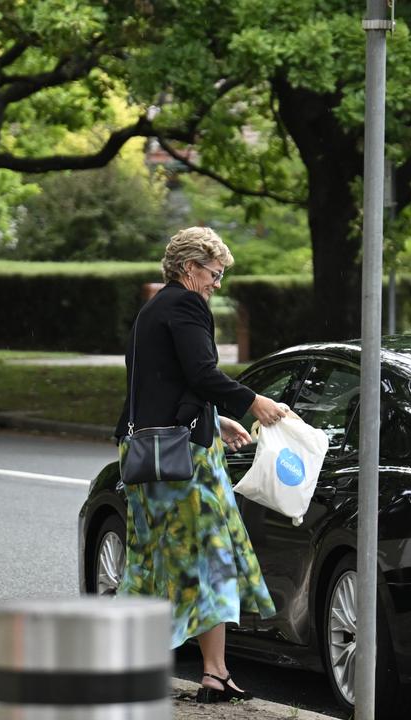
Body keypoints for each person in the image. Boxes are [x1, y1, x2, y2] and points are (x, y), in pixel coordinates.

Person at [114, 226, 286, 703]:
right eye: (214, 273)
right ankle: (211, 671)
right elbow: (201, 373)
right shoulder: (188, 305)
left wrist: (219, 417)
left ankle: (138, 662)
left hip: (148, 451)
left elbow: (161, 382)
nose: (217, 283)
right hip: (182, 458)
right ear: (190, 268)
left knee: (154, 561)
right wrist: (253, 402)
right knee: (209, 556)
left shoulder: (154, 309)